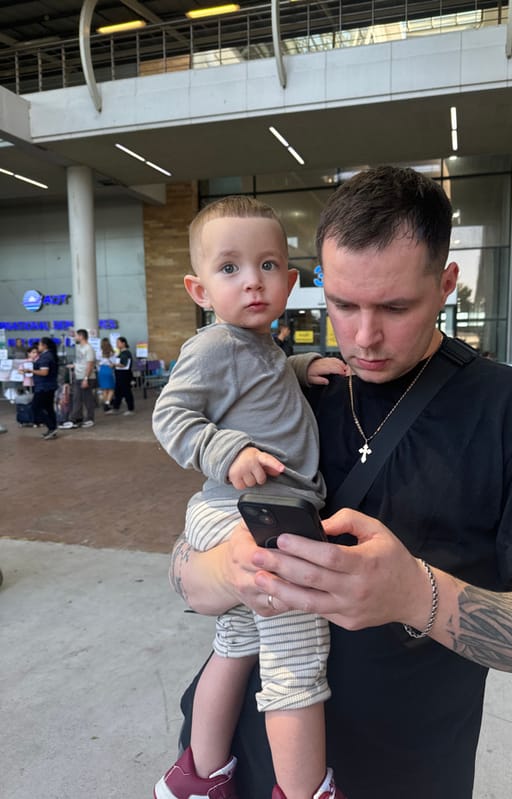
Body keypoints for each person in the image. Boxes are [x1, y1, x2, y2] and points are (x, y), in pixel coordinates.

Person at [171, 166, 512, 799]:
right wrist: (232, 572)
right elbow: (183, 571)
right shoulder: (288, 388)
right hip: (238, 762)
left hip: (408, 774)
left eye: (396, 307)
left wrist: (414, 594)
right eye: (343, 304)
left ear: (446, 283)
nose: (365, 337)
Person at [152, 196, 348, 799]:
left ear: (291, 280)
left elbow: (261, 377)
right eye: (230, 268)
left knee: (236, 642)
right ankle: (303, 790)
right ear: (199, 289)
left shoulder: (263, 347)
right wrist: (227, 452)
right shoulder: (214, 346)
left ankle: (197, 776)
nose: (253, 282)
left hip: (253, 510)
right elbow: (170, 415)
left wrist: (302, 366)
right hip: (240, 510)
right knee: (296, 650)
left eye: (268, 266)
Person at [59, 328, 96, 429]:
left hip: (86, 377)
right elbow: (81, 362)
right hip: (78, 376)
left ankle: (89, 419)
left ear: (81, 336)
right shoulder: (80, 347)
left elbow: (90, 364)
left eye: (76, 335)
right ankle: (77, 418)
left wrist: (86, 378)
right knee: (77, 398)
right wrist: (74, 366)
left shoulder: (89, 348)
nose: (75, 337)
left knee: (87, 399)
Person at [24, 336, 58, 440]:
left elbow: (44, 372)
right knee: (48, 408)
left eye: (39, 344)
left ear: (44, 345)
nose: (38, 346)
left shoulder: (45, 357)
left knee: (36, 407)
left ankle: (51, 426)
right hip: (49, 386)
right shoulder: (49, 355)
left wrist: (31, 371)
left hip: (44, 387)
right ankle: (53, 428)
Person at [110, 336, 135, 415]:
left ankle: (130, 409)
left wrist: (114, 365)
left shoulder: (126, 353)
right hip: (119, 375)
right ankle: (116, 407)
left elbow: (124, 364)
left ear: (123, 343)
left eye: (118, 342)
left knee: (126, 391)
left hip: (124, 375)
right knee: (118, 392)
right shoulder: (120, 353)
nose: (117, 344)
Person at [97, 337, 116, 412]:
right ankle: (108, 402)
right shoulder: (112, 352)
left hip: (102, 370)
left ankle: (105, 403)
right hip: (109, 370)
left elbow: (97, 362)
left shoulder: (99, 352)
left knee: (104, 389)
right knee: (111, 388)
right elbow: (113, 363)